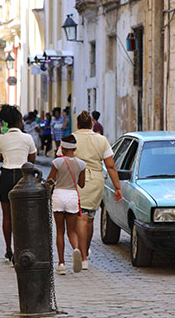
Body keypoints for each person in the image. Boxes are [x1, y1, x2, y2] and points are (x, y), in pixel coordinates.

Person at [72, 110, 122, 268]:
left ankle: (83, 255)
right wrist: (117, 187)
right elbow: (111, 166)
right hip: (95, 181)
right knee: (90, 218)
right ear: (92, 125)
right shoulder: (101, 140)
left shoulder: (71, 138)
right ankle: (85, 252)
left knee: (80, 217)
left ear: (78, 125)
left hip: (76, 180)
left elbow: (61, 161)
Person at [0, 105, 37, 262]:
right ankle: (23, 248)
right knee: (24, 215)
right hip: (22, 177)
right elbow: (32, 159)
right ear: (20, 122)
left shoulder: (1, 138)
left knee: (7, 216)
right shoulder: (27, 138)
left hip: (6, 176)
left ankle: (8, 249)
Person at [46, 134, 85, 275]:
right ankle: (76, 248)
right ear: (75, 148)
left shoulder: (57, 162)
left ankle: (61, 264)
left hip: (59, 195)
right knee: (72, 231)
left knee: (60, 231)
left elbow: (50, 181)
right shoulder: (81, 164)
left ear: (62, 147)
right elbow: (81, 184)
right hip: (72, 196)